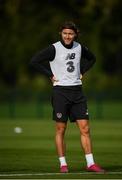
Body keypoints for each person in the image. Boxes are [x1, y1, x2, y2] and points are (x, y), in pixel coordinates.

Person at [30, 21, 105, 173]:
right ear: (61, 33)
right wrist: (50, 75)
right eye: (65, 33)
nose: (67, 36)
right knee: (61, 129)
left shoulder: (79, 47)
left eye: (70, 33)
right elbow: (34, 61)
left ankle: (90, 163)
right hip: (60, 93)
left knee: (85, 128)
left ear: (75, 34)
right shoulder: (54, 48)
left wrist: (82, 71)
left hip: (78, 92)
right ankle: (63, 164)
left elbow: (92, 58)